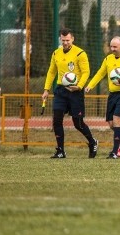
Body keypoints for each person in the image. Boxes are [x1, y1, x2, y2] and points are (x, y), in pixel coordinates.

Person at [41, 28, 98, 159]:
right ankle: (60, 150)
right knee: (57, 120)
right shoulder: (56, 53)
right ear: (60, 39)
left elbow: (86, 72)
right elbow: (51, 72)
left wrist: (79, 86)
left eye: (67, 40)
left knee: (77, 123)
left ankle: (92, 142)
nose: (65, 42)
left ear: (72, 39)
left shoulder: (80, 54)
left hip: (75, 92)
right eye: (63, 40)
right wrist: (46, 89)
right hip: (61, 90)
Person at [84, 36, 120, 159]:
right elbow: (100, 73)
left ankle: (115, 152)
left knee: (117, 121)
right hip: (112, 95)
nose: (113, 49)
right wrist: (90, 85)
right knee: (112, 124)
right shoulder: (108, 59)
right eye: (111, 46)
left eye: (115, 47)